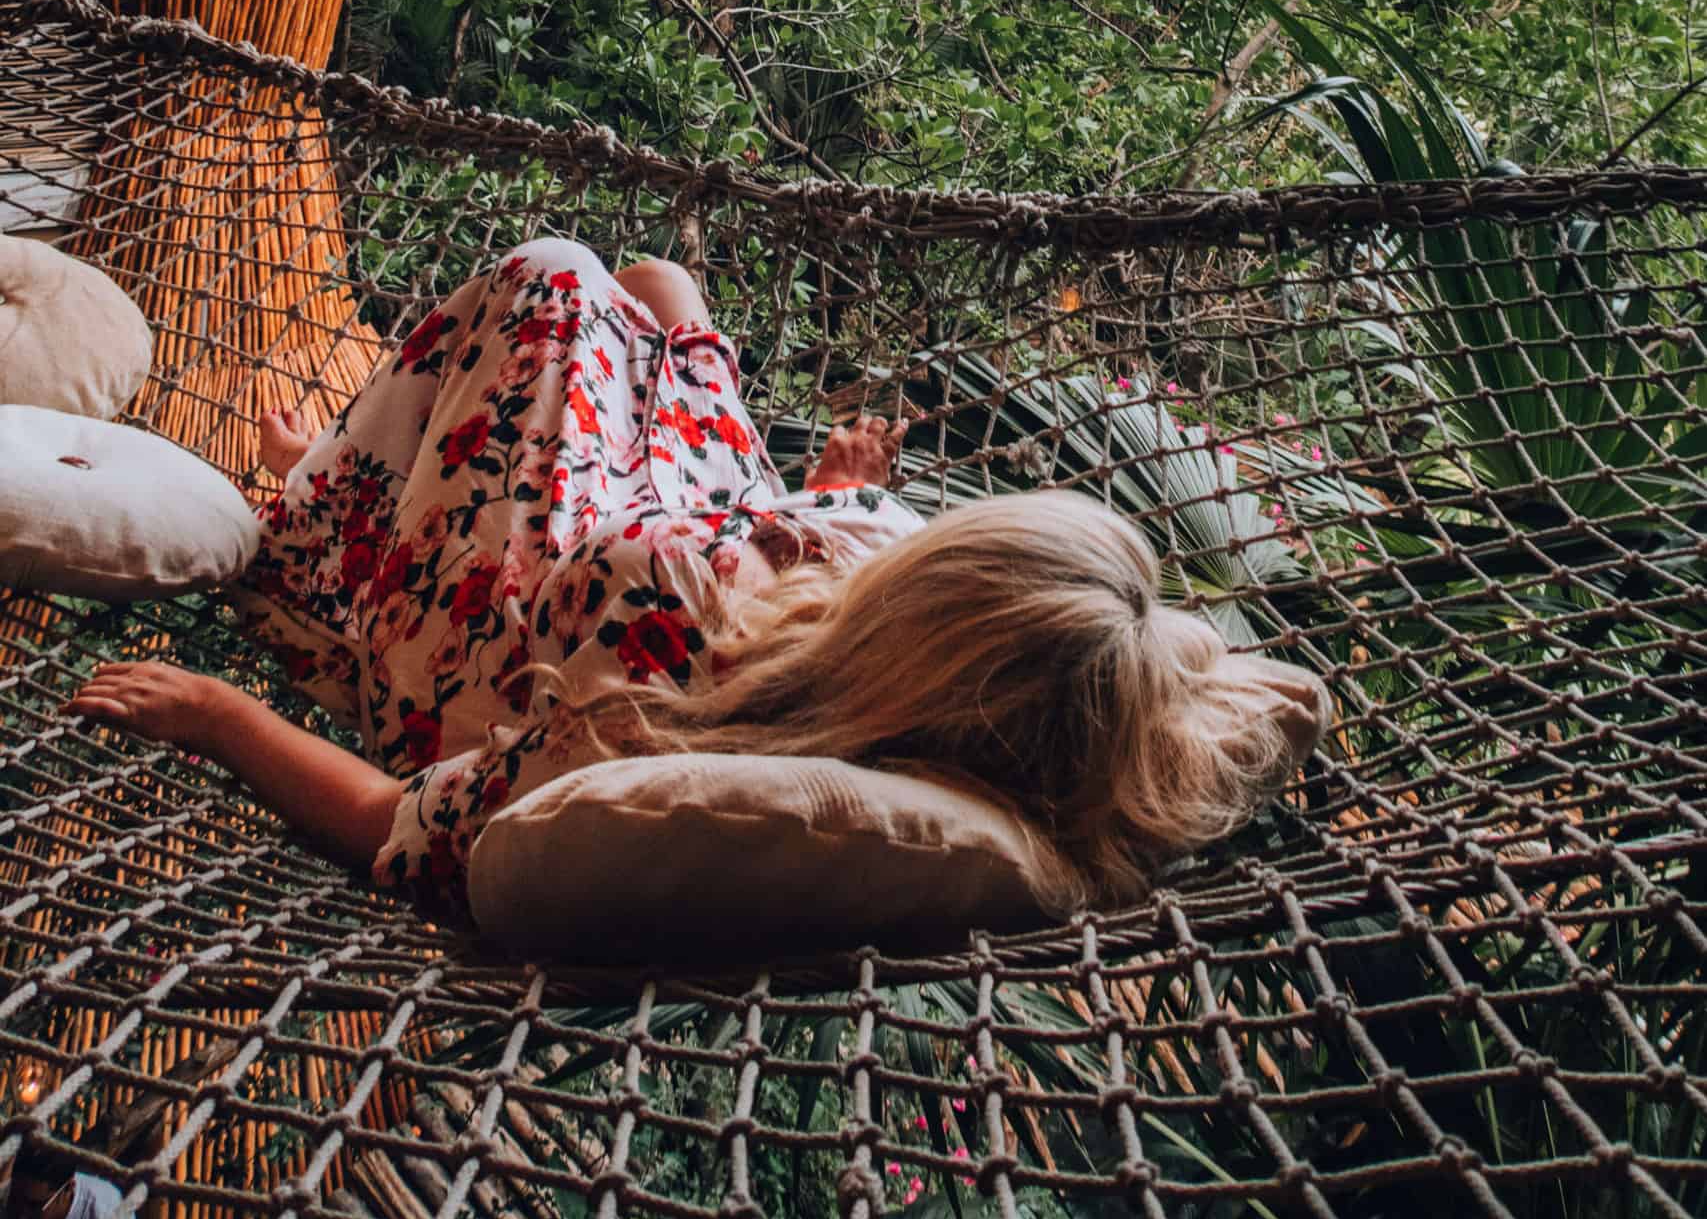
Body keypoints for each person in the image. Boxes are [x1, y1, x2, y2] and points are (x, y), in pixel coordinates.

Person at [66, 240, 1331, 915]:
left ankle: (332, 509)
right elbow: (1273, 698)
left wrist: (214, 712)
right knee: (664, 288)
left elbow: (394, 824)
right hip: (715, 521)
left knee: (558, 276)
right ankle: (355, 474)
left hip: (521, 607)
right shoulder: (969, 669)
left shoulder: (655, 729)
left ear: (921, 645)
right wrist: (829, 511)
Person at [3, 1139, 140, 1219]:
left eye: (34, 1206)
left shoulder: (107, 1214)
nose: (21, 1215)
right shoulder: (5, 1197)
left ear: (68, 1188)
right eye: (15, 1199)